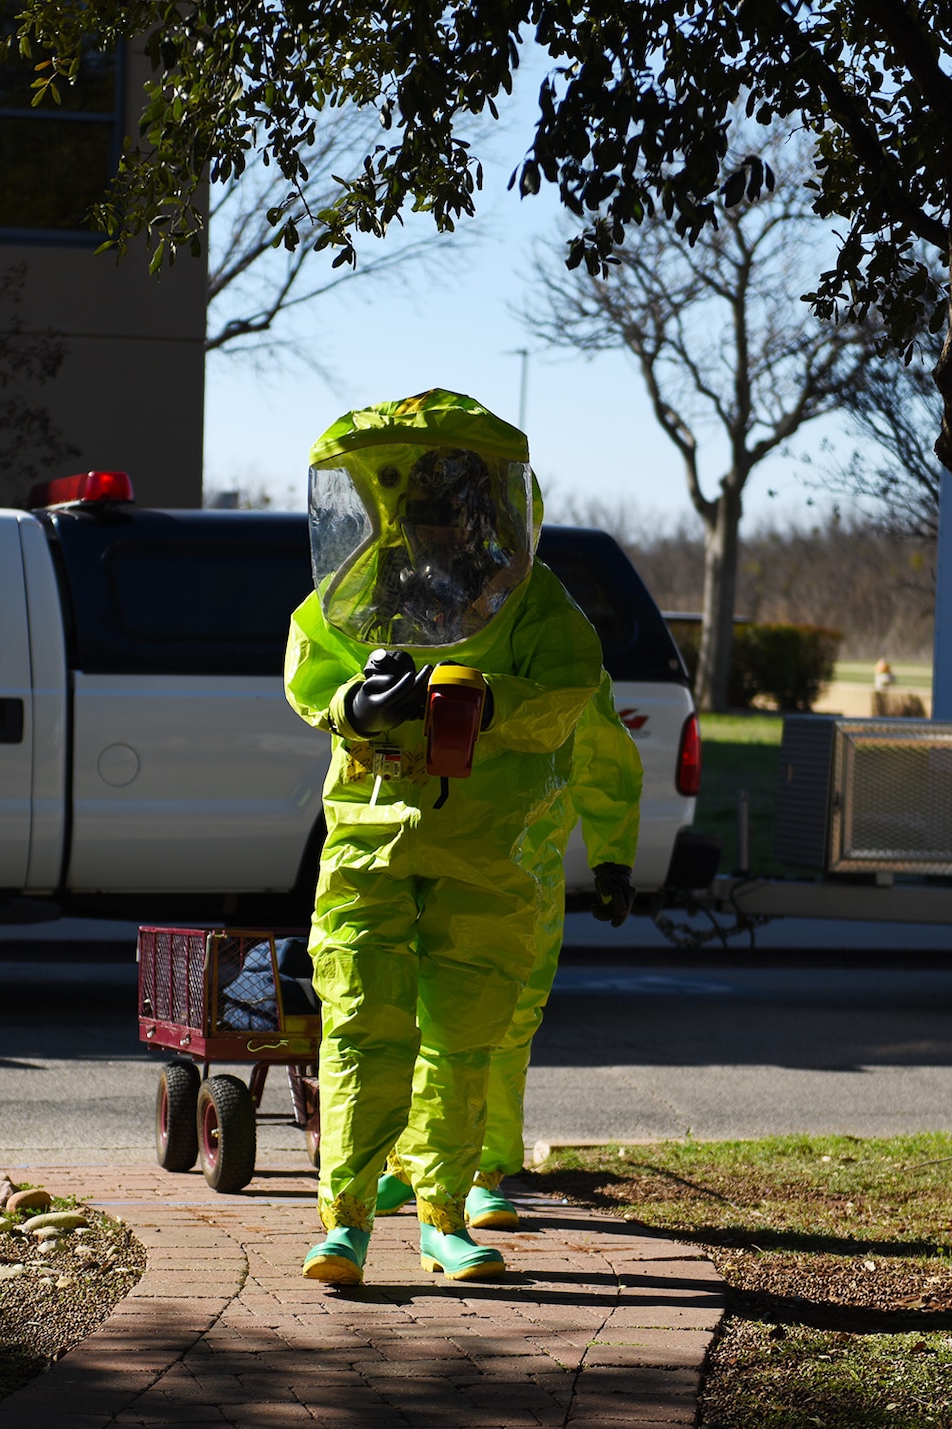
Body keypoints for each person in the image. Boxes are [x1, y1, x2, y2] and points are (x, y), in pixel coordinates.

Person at [285, 389, 605, 1285]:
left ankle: (443, 1215)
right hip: (371, 841)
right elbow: (312, 670)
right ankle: (344, 1222)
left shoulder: (529, 599)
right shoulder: (361, 588)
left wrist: (492, 700)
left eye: (441, 498)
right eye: (412, 500)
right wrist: (359, 702)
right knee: (357, 1026)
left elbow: (575, 688)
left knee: (463, 1037)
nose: (425, 520)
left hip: (484, 849)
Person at [379, 671, 643, 1228]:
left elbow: (600, 754)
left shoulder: (556, 641)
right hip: (422, 852)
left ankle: (480, 1171)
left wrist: (612, 857)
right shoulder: (424, 622)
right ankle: (415, 1163)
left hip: (522, 869)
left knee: (505, 1020)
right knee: (408, 1012)